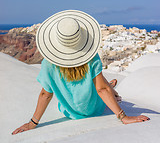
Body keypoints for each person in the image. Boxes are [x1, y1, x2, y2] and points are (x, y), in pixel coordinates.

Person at [12, 10, 150, 135]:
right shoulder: (91, 57)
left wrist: (32, 123)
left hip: (70, 112)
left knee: (101, 84)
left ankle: (111, 87)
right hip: (95, 108)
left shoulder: (48, 64)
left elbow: (45, 94)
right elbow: (101, 89)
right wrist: (123, 117)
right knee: (102, 84)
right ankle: (111, 88)